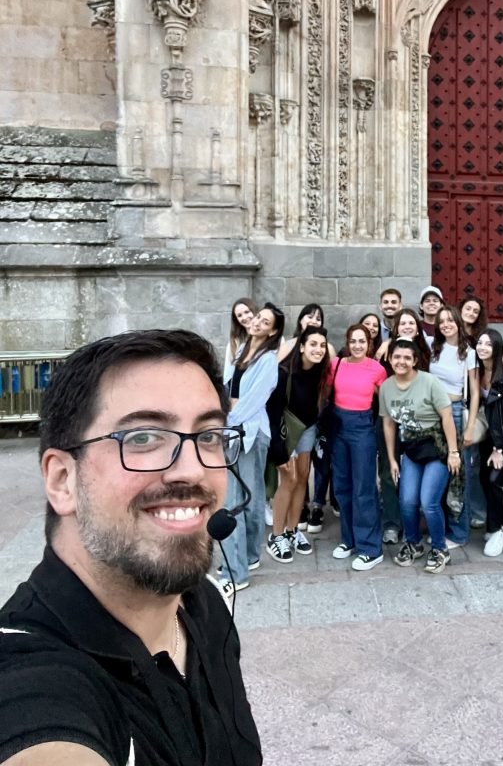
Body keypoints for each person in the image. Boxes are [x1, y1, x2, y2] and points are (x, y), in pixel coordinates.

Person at [0, 329, 262, 765]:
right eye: (142, 438)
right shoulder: (33, 678)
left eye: (210, 436)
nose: (192, 471)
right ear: (62, 480)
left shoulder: (205, 604)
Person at [380, 339, 461, 575]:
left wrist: (454, 452)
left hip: (436, 447)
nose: (401, 362)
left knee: (429, 501)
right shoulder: (386, 387)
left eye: (407, 358)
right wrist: (393, 459)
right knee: (407, 501)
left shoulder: (429, 382)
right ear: (390, 359)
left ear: (415, 361)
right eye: (397, 357)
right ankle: (414, 543)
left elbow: (447, 417)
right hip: (412, 450)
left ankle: (439, 548)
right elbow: (388, 423)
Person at [221, 302, 285, 593]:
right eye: (258, 317)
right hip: (236, 428)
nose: (258, 322)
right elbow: (230, 387)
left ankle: (236, 572)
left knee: (236, 499)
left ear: (273, 330)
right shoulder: (243, 349)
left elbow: (252, 401)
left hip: (246, 431)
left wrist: (227, 424)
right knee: (248, 494)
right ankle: (249, 556)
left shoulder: (268, 360)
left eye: (265, 321)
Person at [265, 326, 330, 562]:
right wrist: (280, 452)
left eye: (322, 345)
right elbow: (272, 414)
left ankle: (293, 531)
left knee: (303, 477)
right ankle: (276, 535)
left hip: (308, 429)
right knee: (289, 479)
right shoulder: (285, 373)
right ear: (301, 346)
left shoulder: (321, 372)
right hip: (286, 432)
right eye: (313, 344)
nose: (318, 349)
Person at [329, 324, 387, 570]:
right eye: (353, 341)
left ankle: (370, 548)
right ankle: (349, 539)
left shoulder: (377, 369)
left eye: (362, 341)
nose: (357, 345)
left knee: (363, 487)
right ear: (347, 342)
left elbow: (384, 400)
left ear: (369, 343)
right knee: (342, 485)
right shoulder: (337, 364)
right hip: (338, 426)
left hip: (362, 427)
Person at [374, 308, 431, 544]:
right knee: (388, 470)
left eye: (411, 322)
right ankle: (391, 523)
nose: (407, 326)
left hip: (418, 420)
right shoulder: (386, 350)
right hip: (389, 417)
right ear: (395, 328)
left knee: (415, 469)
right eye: (402, 323)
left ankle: (414, 520)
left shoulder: (426, 352)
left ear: (417, 327)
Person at [429, 305, 482, 545]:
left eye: (450, 320)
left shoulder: (468, 352)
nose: (446, 324)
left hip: (456, 412)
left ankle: (459, 532)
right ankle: (439, 526)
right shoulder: (433, 347)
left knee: (458, 475)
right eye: (442, 321)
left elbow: (475, 390)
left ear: (458, 322)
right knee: (438, 470)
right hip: (431, 414)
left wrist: (470, 426)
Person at [475, 329, 503, 557]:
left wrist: (499, 449)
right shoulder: (478, 371)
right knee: (484, 478)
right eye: (480, 343)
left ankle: (497, 530)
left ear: (496, 348)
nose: (482, 347)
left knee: (493, 480)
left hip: (499, 439)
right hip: (484, 435)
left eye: (488, 344)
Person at [223, 296, 257, 375]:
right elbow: (228, 374)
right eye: (239, 315)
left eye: (247, 312)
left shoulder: (271, 338)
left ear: (254, 311)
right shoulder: (234, 343)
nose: (244, 317)